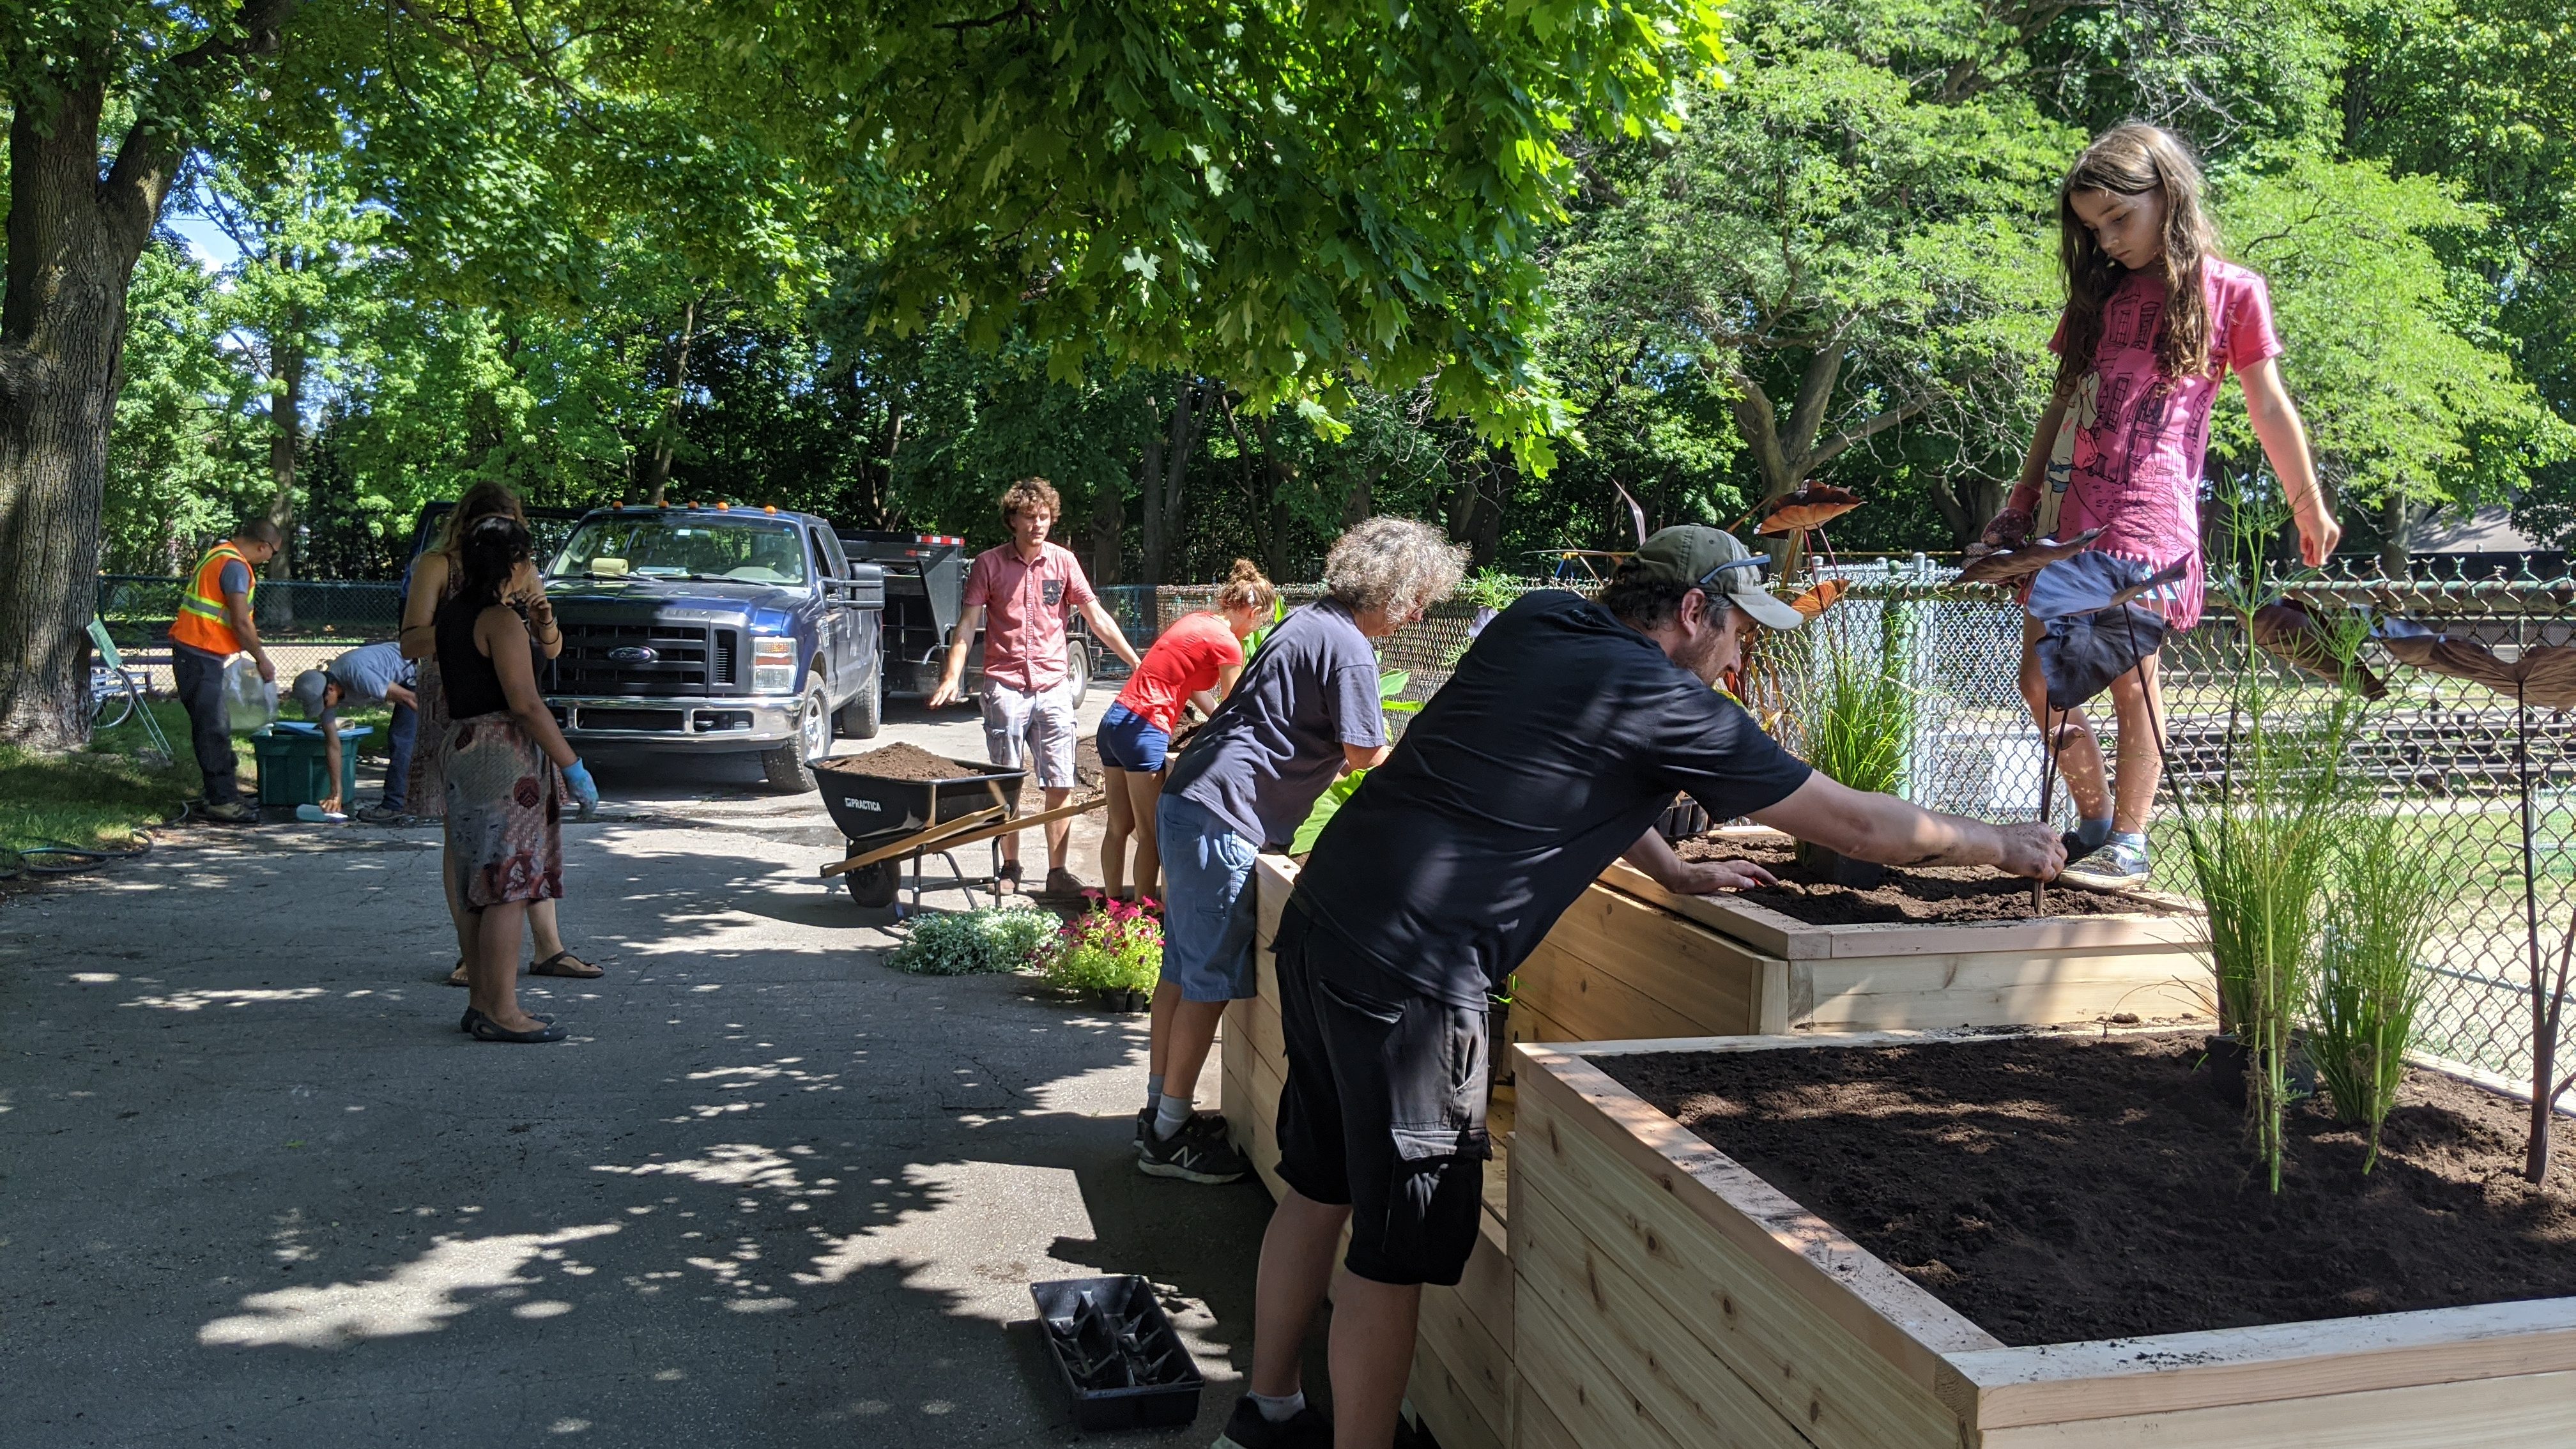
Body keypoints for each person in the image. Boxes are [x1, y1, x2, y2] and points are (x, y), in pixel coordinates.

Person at [1214, 528, 2066, 1449]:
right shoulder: (1670, 702)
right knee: (1392, 1253)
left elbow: (1573, 769)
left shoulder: (1539, 622)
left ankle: (1267, 1412)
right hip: (1414, 981)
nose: (1742, 655)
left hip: (1324, 920)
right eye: (1739, 629)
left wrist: (1669, 870)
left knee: (1318, 1184)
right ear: (1694, 611)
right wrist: (2001, 843)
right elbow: (1858, 824)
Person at [1981, 123, 2339, 889]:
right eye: (2093, 228)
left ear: (2166, 195)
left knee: (2131, 682)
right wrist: (2020, 504)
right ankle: (2096, 822)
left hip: (2148, 526)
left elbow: (2269, 406)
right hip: (2067, 526)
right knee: (2042, 683)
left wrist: (2304, 499)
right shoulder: (2096, 299)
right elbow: (2061, 406)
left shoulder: (2230, 292)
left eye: (2119, 219)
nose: (2108, 240)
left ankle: (2133, 842)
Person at [1141, 519, 1464, 1186]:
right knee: (1207, 985)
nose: (1420, 614)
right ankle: (1166, 1139)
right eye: (1419, 598)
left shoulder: (1312, 621)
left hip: (1195, 800)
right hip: (1222, 817)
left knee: (1181, 969)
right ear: (1391, 591)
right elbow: (1365, 759)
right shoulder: (1347, 647)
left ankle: (1160, 1116)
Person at [401, 484, 601, 986]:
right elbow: (410, 642)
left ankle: (548, 948)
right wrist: (478, 626)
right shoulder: (440, 568)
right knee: (468, 837)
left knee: (529, 834)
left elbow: (548, 653)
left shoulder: (521, 574)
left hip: (515, 722)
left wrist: (542, 619)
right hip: (460, 713)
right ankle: (475, 959)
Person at [926, 477, 1142, 896]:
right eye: (1029, 517)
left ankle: (1057, 872)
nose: (1038, 524)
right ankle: (1010, 866)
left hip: (1053, 686)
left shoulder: (1063, 563)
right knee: (1008, 781)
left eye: (1044, 517)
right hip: (1004, 687)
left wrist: (1136, 662)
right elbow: (968, 625)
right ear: (1013, 520)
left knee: (1060, 781)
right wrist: (952, 676)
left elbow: (1095, 616)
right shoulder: (989, 565)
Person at [437, 515, 600, 1043]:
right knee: (509, 885)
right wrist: (571, 764)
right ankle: (504, 1010)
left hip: (462, 749)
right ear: (514, 564)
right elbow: (525, 703)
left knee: (478, 883)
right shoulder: (498, 621)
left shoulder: (454, 614)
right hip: (502, 758)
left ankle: (481, 1003)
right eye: (528, 560)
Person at [1095, 560, 1277, 902]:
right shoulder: (1229, 644)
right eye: (1258, 624)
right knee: (1151, 835)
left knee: (1118, 826)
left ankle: (1109, 907)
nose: (1253, 632)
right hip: (1145, 728)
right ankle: (1145, 918)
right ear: (1252, 611)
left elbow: (1193, 687)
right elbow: (1234, 704)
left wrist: (1212, 720)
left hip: (1115, 721)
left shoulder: (1196, 621)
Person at [168, 519, 282, 824]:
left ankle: (221, 793)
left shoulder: (218, 553)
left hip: (196, 653)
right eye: (271, 554)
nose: (268, 560)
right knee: (213, 729)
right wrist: (261, 658)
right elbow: (241, 622)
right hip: (200, 655)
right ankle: (222, 801)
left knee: (214, 726)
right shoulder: (235, 566)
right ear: (263, 546)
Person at [290, 641, 418, 822]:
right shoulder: (327, 690)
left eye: (322, 704)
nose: (323, 709)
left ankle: (394, 807)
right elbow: (333, 744)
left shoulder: (358, 675)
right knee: (407, 738)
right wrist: (336, 793)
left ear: (331, 689)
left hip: (417, 668)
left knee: (402, 739)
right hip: (402, 678)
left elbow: (411, 698)